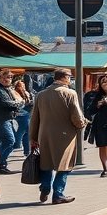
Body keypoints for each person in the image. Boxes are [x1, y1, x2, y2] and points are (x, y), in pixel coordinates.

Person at [29, 68, 87, 204]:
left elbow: (34, 118)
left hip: (44, 135)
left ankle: (45, 187)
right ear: (64, 78)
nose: (70, 79)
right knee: (65, 165)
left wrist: (33, 137)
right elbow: (77, 117)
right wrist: (82, 124)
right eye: (69, 77)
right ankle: (58, 193)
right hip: (65, 136)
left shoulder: (41, 95)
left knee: (46, 163)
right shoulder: (70, 93)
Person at [0, 68, 24, 175]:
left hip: (9, 119)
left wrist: (18, 103)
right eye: (5, 77)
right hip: (1, 120)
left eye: (9, 77)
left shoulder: (7, 89)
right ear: (0, 77)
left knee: (9, 142)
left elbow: (18, 102)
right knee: (9, 141)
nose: (7, 79)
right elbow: (5, 103)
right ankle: (0, 164)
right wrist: (18, 103)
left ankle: (1, 164)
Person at [13, 78, 33, 157]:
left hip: (24, 114)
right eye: (21, 86)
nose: (23, 87)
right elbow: (23, 103)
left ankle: (26, 150)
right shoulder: (15, 93)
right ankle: (17, 144)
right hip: (22, 114)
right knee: (23, 130)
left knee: (26, 131)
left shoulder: (26, 93)